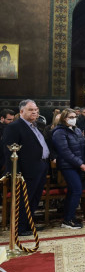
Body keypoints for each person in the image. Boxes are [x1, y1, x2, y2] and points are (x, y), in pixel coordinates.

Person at [1, 100, 50, 235]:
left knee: (34, 198)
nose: (34, 112)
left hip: (40, 166)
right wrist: (15, 172)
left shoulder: (36, 126)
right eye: (30, 110)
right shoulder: (14, 127)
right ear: (21, 111)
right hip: (25, 170)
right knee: (23, 199)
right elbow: (9, 151)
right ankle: (19, 228)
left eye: (36, 110)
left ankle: (28, 223)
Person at [51, 108, 85, 229]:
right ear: (64, 118)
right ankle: (68, 220)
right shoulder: (59, 132)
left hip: (78, 165)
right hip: (67, 165)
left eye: (75, 117)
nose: (73, 119)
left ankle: (69, 217)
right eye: (70, 117)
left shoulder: (77, 130)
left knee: (74, 191)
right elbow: (65, 152)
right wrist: (80, 163)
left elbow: (84, 147)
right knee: (77, 190)